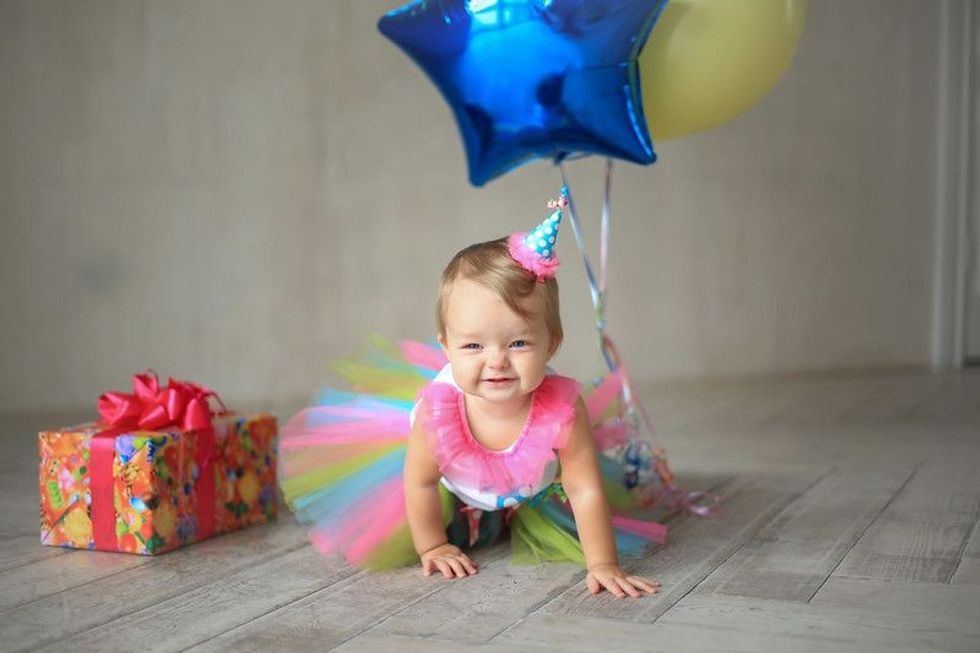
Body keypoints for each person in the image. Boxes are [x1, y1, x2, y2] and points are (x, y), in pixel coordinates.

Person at [280, 188, 671, 598]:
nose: (497, 361)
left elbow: (583, 487)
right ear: (446, 347)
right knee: (441, 524)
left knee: (573, 503)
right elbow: (422, 484)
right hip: (455, 490)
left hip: (534, 490)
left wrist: (604, 564)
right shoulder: (438, 413)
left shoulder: (562, 409)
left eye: (519, 344)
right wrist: (432, 544)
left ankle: (515, 514)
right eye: (472, 346)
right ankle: (465, 524)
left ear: (552, 343)